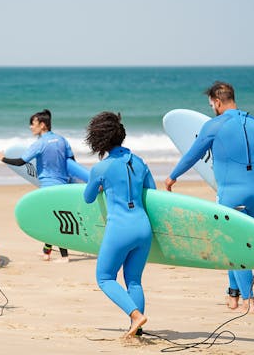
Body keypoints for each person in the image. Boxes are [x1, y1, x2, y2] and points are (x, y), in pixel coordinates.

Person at [164, 81, 254, 314]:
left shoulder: (214, 126)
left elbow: (192, 155)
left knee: (232, 246)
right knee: (235, 241)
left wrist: (172, 177)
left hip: (231, 195)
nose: (211, 108)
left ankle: (249, 300)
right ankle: (233, 296)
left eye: (211, 104)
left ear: (217, 101)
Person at [83, 111, 155, 338]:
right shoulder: (140, 162)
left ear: (99, 139)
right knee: (133, 279)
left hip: (119, 229)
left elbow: (88, 197)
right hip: (143, 228)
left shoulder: (101, 168)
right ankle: (137, 329)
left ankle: (135, 315)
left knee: (105, 277)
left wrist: (103, 185)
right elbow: (152, 193)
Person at [0, 109, 73, 263]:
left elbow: (21, 162)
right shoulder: (62, 140)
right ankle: (47, 252)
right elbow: (72, 163)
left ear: (42, 125)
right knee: (54, 217)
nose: (30, 127)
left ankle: (64, 256)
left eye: (33, 124)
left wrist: (3, 158)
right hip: (64, 185)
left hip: (48, 187)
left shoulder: (40, 144)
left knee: (53, 220)